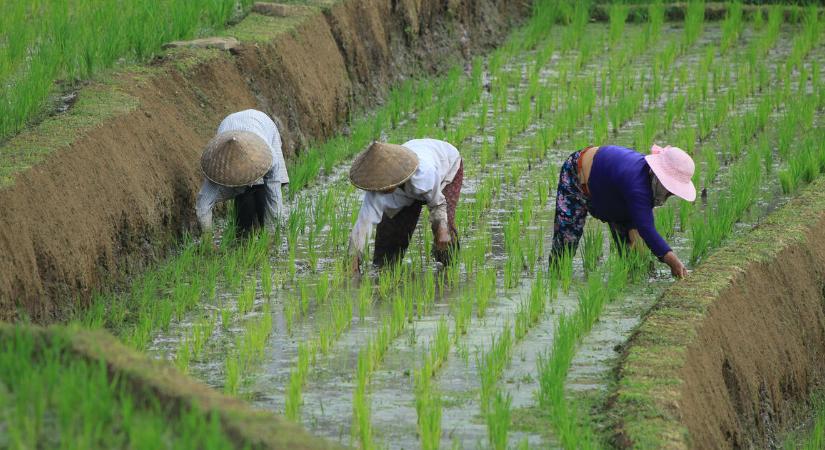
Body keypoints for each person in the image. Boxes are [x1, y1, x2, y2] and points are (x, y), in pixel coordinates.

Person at [549, 144, 695, 278]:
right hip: (577, 173)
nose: (671, 194)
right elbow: (646, 228)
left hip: (612, 191)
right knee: (566, 240)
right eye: (670, 190)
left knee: (634, 253)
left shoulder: (648, 181)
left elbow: (641, 218)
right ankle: (555, 278)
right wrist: (672, 260)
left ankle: (635, 279)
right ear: (660, 178)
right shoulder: (638, 185)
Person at [348, 139, 463, 272]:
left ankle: (448, 272)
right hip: (408, 185)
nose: (382, 187)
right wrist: (353, 261)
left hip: (447, 168)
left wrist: (441, 228)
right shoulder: (375, 191)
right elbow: (363, 225)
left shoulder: (424, 174)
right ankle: (385, 272)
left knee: (444, 234)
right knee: (390, 234)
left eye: (386, 182)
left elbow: (438, 204)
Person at [196, 109, 289, 239]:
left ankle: (262, 229)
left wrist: (271, 236)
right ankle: (245, 233)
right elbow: (203, 203)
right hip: (229, 128)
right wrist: (207, 238)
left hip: (262, 124)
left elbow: (274, 196)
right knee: (245, 196)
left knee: (262, 191)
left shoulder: (269, 156)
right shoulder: (218, 164)